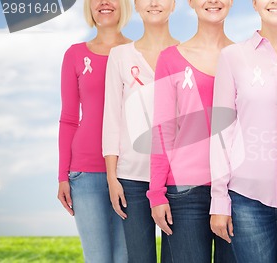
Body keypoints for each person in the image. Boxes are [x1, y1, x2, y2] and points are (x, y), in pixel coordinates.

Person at [209, 0, 277, 262]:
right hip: (247, 200)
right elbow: (221, 131)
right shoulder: (233, 57)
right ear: (254, 3)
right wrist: (219, 200)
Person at [147, 0, 236, 262]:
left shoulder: (243, 57)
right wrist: (156, 193)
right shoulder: (170, 58)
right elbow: (162, 130)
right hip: (184, 191)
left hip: (236, 190)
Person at [102, 0, 179, 261]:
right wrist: (112, 178)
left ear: (174, 5)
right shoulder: (120, 56)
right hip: (131, 178)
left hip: (177, 178)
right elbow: (111, 118)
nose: (154, 3)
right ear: (136, 5)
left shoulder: (187, 54)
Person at [57, 0, 132, 261]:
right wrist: (62, 176)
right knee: (98, 258)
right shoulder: (75, 54)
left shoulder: (138, 52)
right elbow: (68, 119)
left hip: (129, 172)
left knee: (125, 257)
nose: (104, 3)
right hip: (85, 174)